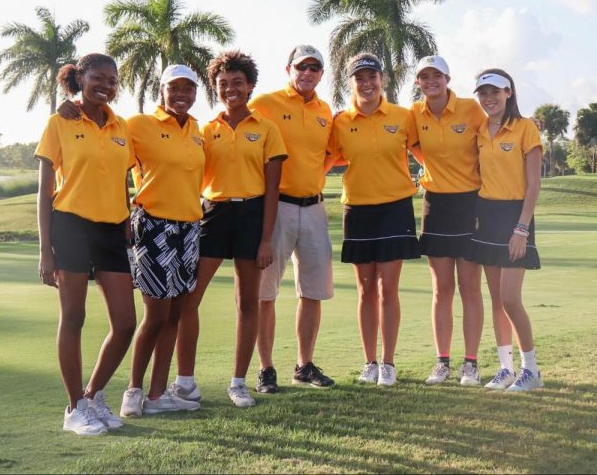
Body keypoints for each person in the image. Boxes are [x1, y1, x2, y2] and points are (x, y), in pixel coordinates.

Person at [163, 50, 287, 408]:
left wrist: (266, 239)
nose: (231, 89)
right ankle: (185, 382)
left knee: (248, 303)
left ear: (249, 86)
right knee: (188, 300)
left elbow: (273, 189)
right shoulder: (205, 130)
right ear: (216, 88)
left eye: (237, 83)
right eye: (223, 84)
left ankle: (239, 383)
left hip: (252, 217)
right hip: (213, 215)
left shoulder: (266, 130)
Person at [35, 53, 136, 436]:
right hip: (70, 226)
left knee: (126, 323)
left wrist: (126, 219)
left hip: (111, 231)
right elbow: (45, 193)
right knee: (73, 318)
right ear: (81, 78)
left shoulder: (121, 126)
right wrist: (46, 250)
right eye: (98, 77)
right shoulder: (58, 122)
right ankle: (75, 407)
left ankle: (92, 396)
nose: (106, 85)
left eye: (112, 80)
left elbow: (119, 181)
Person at [116, 64, 206, 417]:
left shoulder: (199, 131)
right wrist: (122, 212)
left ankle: (156, 396)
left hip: (190, 229)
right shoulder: (139, 125)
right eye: (174, 88)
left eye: (188, 88)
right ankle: (132, 392)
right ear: (162, 90)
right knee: (155, 315)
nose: (181, 94)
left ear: (196, 93)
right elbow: (113, 164)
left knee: (175, 315)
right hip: (153, 226)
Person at [326, 53, 420, 387]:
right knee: (366, 290)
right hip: (358, 210)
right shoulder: (340, 121)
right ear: (350, 82)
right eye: (359, 78)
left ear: (383, 80)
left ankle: (389, 364)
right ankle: (369, 362)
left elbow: (427, 155)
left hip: (396, 208)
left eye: (372, 76)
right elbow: (323, 161)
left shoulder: (403, 116)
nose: (367, 83)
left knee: (388, 289)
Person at [248, 45, 335, 393]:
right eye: (302, 67)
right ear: (288, 69)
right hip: (276, 207)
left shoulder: (325, 110)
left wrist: (312, 176)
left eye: (314, 68)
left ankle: (305, 364)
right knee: (265, 293)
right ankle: (266, 368)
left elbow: (329, 154)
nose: (308, 73)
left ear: (321, 74)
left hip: (314, 208)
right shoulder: (266, 104)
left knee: (312, 291)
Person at [407, 55, 487, 387]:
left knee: (470, 288)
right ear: (418, 82)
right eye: (424, 77)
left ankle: (470, 363)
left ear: (447, 78)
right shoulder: (414, 114)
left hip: (471, 204)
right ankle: (442, 362)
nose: (431, 81)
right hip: (436, 205)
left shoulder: (470, 109)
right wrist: (432, 166)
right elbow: (411, 144)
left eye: (436, 75)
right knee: (442, 289)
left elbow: (490, 145)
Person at [468, 68, 544, 392]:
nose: (489, 99)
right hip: (487, 216)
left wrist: (522, 229)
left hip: (516, 216)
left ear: (509, 93)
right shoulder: (481, 130)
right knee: (497, 299)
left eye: (495, 92)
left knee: (511, 299)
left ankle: (531, 370)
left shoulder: (526, 128)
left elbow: (534, 184)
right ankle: (505, 368)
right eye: (483, 94)